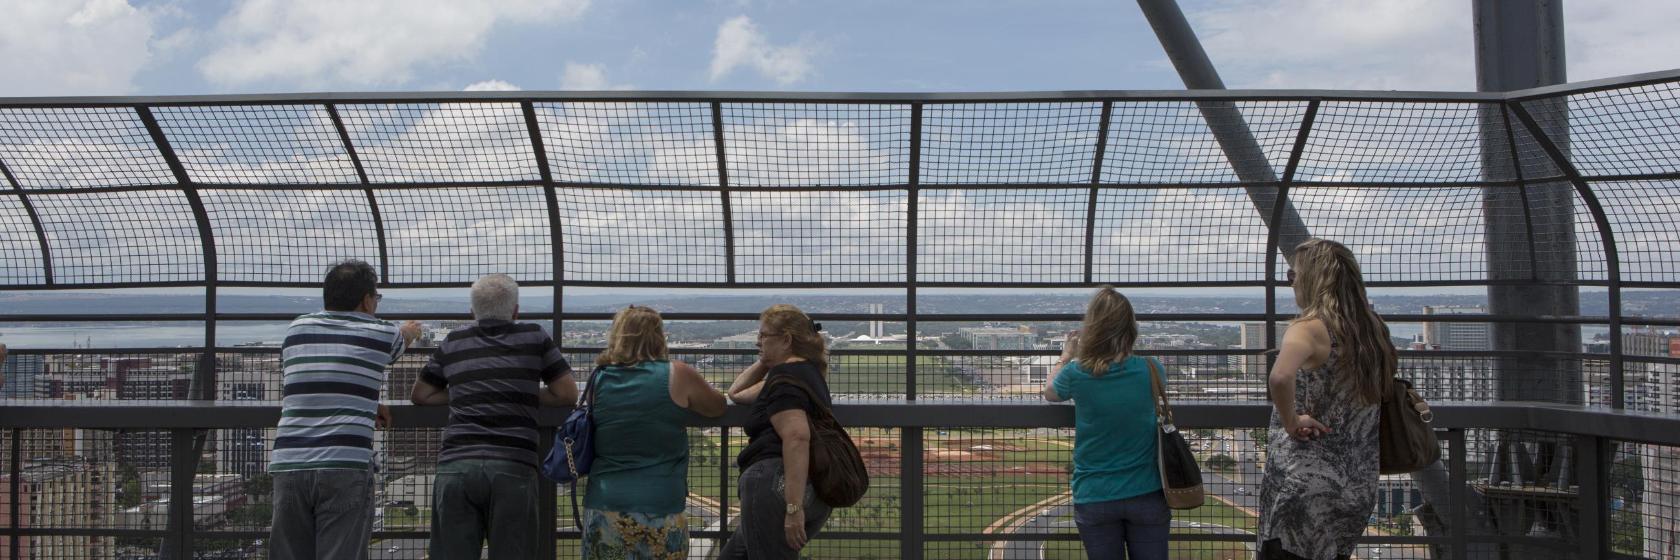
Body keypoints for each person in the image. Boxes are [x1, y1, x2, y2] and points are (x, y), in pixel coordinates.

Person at [409, 274, 578, 560]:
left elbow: (421, 395)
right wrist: (519, 389)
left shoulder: (453, 341)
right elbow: (566, 394)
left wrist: (466, 390)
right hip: (513, 465)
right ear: (516, 310)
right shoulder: (534, 336)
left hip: (457, 466)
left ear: (472, 312)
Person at [270, 260, 422, 560]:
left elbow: (318, 375)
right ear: (366, 300)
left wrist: (366, 400)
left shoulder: (296, 328)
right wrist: (411, 330)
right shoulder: (379, 332)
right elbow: (401, 340)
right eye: (376, 298)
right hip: (345, 464)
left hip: (289, 463)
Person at [1257, 239, 1396, 560]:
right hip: (1357, 484)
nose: (1291, 282)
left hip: (1303, 481)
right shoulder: (1374, 330)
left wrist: (1292, 422)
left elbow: (1280, 377)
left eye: (1294, 275)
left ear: (1311, 279)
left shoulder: (1308, 328)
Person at [583, 305, 727, 558]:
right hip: (661, 505)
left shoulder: (599, 379)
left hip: (605, 503)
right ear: (659, 337)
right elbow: (717, 407)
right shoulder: (678, 374)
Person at [1041, 285, 1168, 559]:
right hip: (1147, 489)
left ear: (1093, 328)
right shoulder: (1152, 369)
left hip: (1095, 492)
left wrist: (1066, 356)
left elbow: (1050, 393)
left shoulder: (1076, 372)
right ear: (1130, 328)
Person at [720, 304, 835, 559]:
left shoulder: (785, 378)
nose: (757, 341)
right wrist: (765, 360)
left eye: (763, 336)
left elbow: (796, 437)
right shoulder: (803, 373)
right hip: (809, 487)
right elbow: (736, 393)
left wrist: (793, 508)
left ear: (786, 340)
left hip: (773, 484)